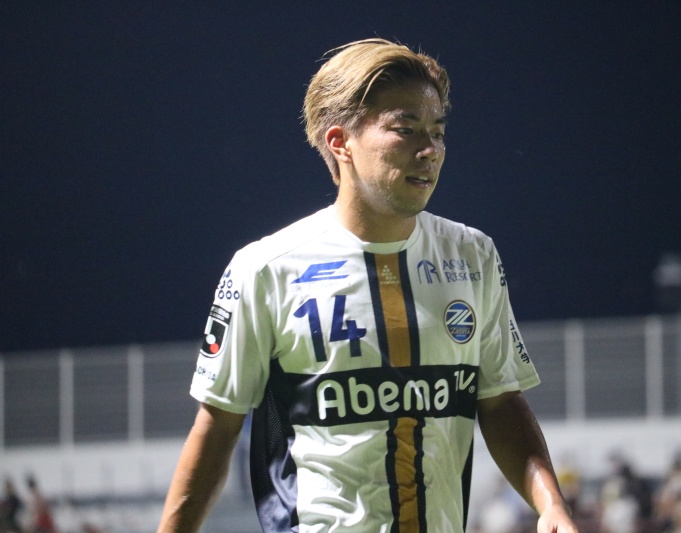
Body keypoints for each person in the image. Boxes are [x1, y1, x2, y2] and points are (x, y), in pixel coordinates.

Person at [157, 38, 577, 533]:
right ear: (341, 143)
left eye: (437, 132)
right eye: (405, 130)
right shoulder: (265, 269)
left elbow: (500, 401)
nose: (429, 150)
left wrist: (550, 504)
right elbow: (217, 425)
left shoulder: (472, 256)